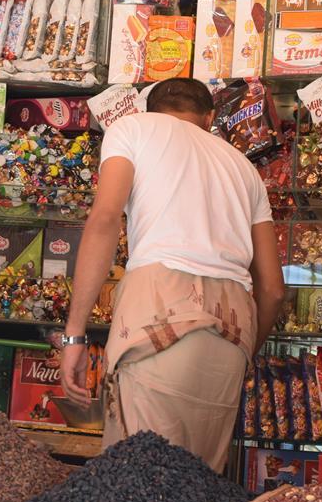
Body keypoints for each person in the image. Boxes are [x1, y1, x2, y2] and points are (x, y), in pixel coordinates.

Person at [60, 78, 285, 473]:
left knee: (136, 482)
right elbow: (272, 289)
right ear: (210, 118)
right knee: (197, 490)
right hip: (233, 331)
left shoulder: (131, 129)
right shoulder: (244, 168)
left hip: (159, 311)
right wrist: (245, 351)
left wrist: (75, 335)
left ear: (149, 109)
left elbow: (105, 220)